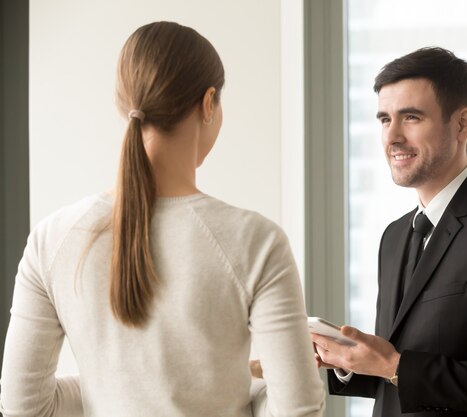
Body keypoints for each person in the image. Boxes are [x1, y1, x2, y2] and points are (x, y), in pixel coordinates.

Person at [0, 21, 324, 417]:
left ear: (124, 102)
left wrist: (118, 389)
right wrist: (232, 386)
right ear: (208, 103)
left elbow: (23, 406)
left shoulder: (52, 239)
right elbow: (299, 408)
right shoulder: (256, 241)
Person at [311, 47, 467, 416]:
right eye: (384, 119)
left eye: (410, 117)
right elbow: (406, 377)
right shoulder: (395, 237)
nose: (392, 136)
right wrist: (349, 361)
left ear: (462, 124)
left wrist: (393, 365)